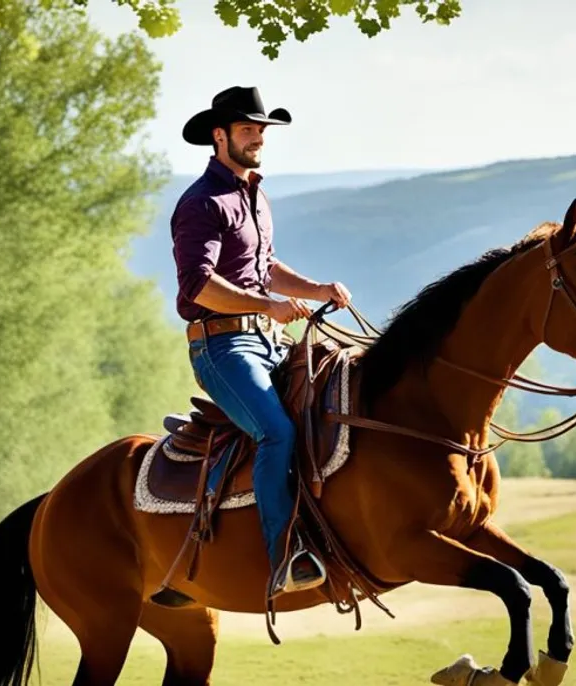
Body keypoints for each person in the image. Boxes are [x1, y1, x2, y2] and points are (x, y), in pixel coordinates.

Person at [171, 85, 352, 597]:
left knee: (332, 405)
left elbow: (264, 267)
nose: (258, 138)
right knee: (276, 433)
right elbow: (199, 285)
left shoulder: (255, 194)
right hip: (221, 349)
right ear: (219, 135)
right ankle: (284, 555)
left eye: (262, 130)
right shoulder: (200, 202)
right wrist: (265, 305)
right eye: (248, 129)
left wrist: (316, 289)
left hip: (267, 340)